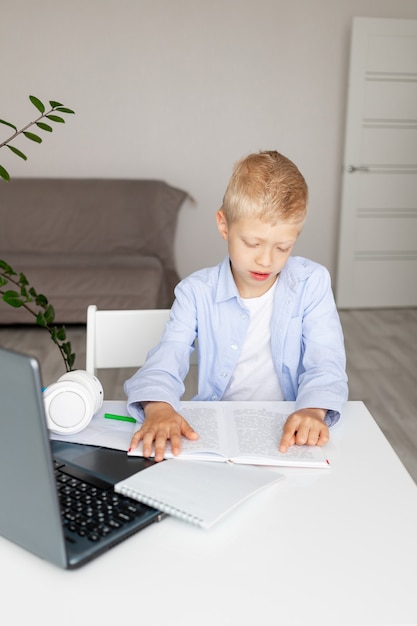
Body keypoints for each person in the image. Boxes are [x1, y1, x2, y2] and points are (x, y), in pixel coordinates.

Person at [125, 150, 348, 462]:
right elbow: (166, 357)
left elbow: (326, 363)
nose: (266, 260)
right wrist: (159, 407)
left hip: (289, 432)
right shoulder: (195, 292)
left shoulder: (312, 283)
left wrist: (312, 410)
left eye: (283, 247)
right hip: (217, 434)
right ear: (224, 225)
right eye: (253, 244)